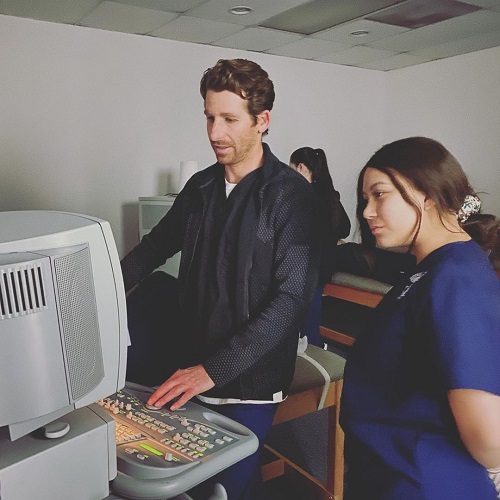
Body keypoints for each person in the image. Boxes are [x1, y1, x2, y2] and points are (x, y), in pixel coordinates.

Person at [120, 58, 320, 499]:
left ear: (262, 121)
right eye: (210, 117)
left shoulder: (291, 197)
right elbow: (154, 249)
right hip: (189, 363)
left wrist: (213, 370)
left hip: (249, 382)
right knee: (186, 483)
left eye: (229, 119)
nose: (215, 133)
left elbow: (289, 301)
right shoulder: (201, 187)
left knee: (227, 490)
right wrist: (101, 291)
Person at [340, 136, 500, 499]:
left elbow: (488, 435)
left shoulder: (457, 278)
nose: (366, 212)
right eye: (366, 199)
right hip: (392, 474)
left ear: (427, 194)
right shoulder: (429, 269)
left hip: (425, 483)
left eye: (379, 194)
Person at [289, 147, 350, 346]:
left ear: (300, 167)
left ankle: (306, 350)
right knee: (312, 309)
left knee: (299, 311)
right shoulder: (331, 195)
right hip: (325, 265)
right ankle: (314, 346)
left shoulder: (302, 195)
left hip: (306, 264)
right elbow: (345, 228)